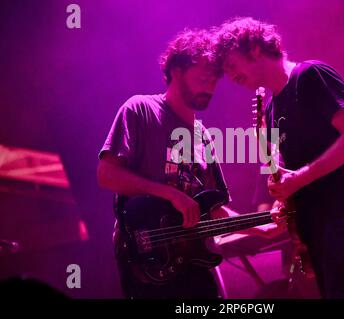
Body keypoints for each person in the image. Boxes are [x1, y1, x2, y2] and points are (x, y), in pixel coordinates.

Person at [97, 29, 285, 299]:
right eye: (202, 78)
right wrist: (171, 194)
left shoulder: (203, 137)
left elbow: (214, 211)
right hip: (149, 259)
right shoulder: (139, 109)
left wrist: (262, 229)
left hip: (193, 266)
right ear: (176, 71)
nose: (209, 87)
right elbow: (106, 175)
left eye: (214, 80)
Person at [214, 17, 344, 299]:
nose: (231, 76)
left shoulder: (311, 75)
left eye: (231, 65)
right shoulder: (271, 110)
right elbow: (292, 173)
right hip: (318, 226)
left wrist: (300, 178)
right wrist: (283, 199)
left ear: (254, 48)